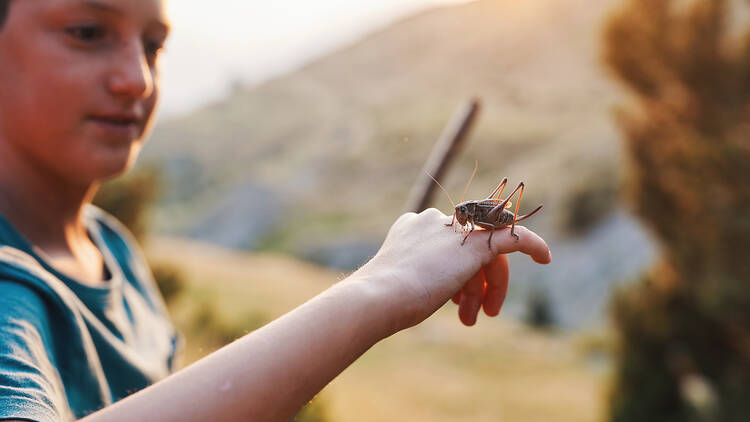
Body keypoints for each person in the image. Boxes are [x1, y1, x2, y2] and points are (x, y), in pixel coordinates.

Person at [0, 0, 552, 421]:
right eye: (87, 32)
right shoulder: (9, 285)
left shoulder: (112, 246)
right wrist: (379, 289)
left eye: (154, 44)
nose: (137, 78)